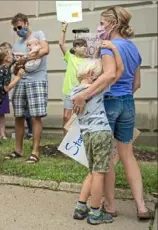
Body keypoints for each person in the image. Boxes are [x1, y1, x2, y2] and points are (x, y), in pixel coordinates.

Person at [72, 6, 153, 219]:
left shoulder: (107, 46)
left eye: (101, 23)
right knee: (128, 155)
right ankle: (142, 206)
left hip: (108, 102)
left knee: (105, 159)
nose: (99, 27)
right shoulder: (133, 48)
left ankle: (108, 206)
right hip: (128, 102)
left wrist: (84, 95)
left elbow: (108, 75)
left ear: (113, 24)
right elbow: (137, 83)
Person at [72, 58, 120, 225]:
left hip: (87, 135)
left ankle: (80, 207)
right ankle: (95, 213)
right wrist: (114, 51)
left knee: (93, 171)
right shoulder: (96, 90)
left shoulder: (74, 91)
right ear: (92, 74)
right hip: (101, 133)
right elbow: (116, 73)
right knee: (99, 173)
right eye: (99, 75)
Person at [6, 13, 50, 163]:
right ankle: (18, 150)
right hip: (20, 81)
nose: (18, 30)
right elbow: (13, 70)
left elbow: (45, 50)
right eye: (15, 29)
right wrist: (17, 65)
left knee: (36, 116)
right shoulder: (17, 44)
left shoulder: (38, 34)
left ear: (26, 23)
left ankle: (35, 151)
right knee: (18, 116)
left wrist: (25, 58)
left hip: (37, 80)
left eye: (19, 27)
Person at [59, 22, 87, 135]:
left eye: (85, 45)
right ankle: (65, 142)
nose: (83, 47)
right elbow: (61, 43)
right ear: (74, 48)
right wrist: (64, 29)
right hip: (69, 92)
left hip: (81, 93)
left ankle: (78, 143)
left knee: (79, 118)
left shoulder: (88, 61)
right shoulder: (70, 57)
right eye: (80, 46)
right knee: (66, 117)